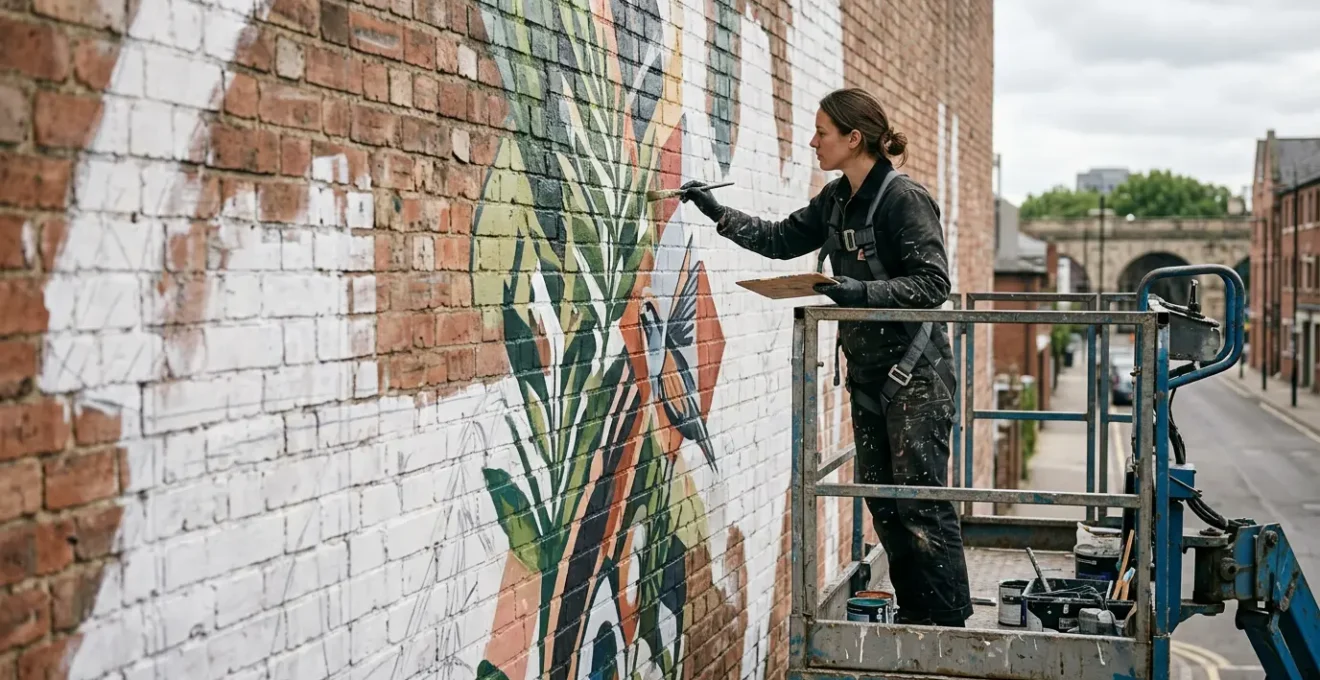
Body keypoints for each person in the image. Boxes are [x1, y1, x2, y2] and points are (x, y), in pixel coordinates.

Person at [679, 87, 972, 627]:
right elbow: (779, 239)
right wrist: (717, 212)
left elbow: (933, 284)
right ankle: (917, 617)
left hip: (917, 376)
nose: (813, 142)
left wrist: (857, 292)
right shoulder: (836, 200)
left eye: (822, 133)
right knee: (883, 501)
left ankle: (948, 626)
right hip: (867, 374)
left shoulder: (903, 199)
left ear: (854, 138)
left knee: (921, 503)